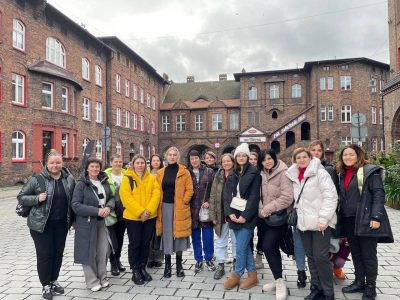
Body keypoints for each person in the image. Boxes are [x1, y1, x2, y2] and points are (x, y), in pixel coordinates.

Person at [337, 144, 393, 300]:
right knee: (356, 252)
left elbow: (378, 195)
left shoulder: (370, 171)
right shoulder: (342, 173)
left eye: (351, 154)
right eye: (345, 155)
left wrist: (376, 217)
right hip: (349, 219)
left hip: (366, 219)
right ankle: (359, 281)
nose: (347, 157)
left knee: (368, 254)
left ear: (358, 155)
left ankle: (370, 286)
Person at [17, 150, 75, 300]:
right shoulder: (37, 179)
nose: (55, 165)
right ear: (46, 164)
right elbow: (21, 196)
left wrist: (73, 220)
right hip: (41, 225)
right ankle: (45, 285)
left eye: (58, 162)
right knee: (45, 254)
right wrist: (36, 198)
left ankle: (53, 280)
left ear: (62, 163)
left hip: (62, 224)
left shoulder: (69, 179)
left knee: (58, 253)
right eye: (52, 163)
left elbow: (73, 202)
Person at [286, 148, 338, 300]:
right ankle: (316, 287)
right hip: (303, 223)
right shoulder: (293, 175)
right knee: (310, 256)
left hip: (320, 223)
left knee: (321, 256)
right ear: (294, 160)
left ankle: (328, 292)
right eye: (298, 157)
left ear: (310, 158)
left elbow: (331, 197)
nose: (301, 160)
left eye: (304, 157)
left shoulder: (320, 173)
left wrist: (323, 219)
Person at [72, 157, 115, 292]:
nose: (95, 169)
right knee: (89, 252)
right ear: (87, 168)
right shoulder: (81, 184)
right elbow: (76, 205)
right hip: (87, 223)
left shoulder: (104, 181)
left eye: (97, 166)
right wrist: (97, 211)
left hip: (102, 223)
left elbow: (112, 197)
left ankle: (102, 277)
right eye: (92, 167)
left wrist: (108, 207)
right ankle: (92, 281)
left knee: (103, 251)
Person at [223, 143, 261, 290]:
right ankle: (252, 276)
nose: (241, 158)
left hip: (247, 217)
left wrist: (245, 216)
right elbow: (227, 195)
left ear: (247, 157)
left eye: (243, 155)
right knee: (244, 248)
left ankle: (237, 274)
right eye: (238, 155)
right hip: (234, 215)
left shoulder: (254, 173)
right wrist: (229, 213)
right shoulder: (233, 173)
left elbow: (254, 197)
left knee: (240, 247)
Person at [119, 154, 161, 285]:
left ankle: (143, 267)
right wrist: (140, 212)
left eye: (142, 163)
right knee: (135, 243)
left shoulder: (151, 178)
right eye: (137, 163)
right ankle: (135, 270)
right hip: (133, 217)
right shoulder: (128, 178)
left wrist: (149, 210)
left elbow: (156, 194)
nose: (140, 165)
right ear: (133, 164)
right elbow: (126, 197)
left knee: (145, 243)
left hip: (149, 216)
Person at [258, 149, 293, 300]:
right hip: (264, 218)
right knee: (271, 248)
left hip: (278, 218)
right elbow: (256, 195)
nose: (267, 161)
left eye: (270, 158)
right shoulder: (261, 174)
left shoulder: (284, 173)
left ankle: (279, 282)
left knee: (268, 246)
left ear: (274, 158)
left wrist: (267, 209)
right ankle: (277, 278)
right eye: (264, 159)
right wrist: (261, 210)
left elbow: (287, 198)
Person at [308, 140, 346, 280]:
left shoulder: (328, 169)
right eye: (313, 150)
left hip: (326, 213)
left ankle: (335, 267)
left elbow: (333, 194)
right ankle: (325, 272)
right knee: (321, 248)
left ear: (322, 152)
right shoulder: (306, 167)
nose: (316, 153)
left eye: (319, 150)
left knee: (333, 244)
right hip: (312, 214)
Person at [156, 147, 194, 278]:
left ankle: (179, 265)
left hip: (180, 206)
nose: (172, 157)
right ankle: (167, 265)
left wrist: (184, 201)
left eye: (174, 155)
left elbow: (190, 189)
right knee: (167, 234)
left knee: (179, 234)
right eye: (170, 155)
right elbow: (157, 190)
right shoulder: (161, 172)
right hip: (165, 206)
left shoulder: (184, 171)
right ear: (166, 156)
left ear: (178, 157)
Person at [187, 150, 216, 273]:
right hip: (191, 209)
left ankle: (209, 258)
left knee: (208, 235)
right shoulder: (187, 173)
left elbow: (214, 189)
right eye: (192, 159)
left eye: (196, 158)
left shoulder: (209, 172)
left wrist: (209, 201)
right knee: (195, 236)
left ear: (200, 159)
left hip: (205, 208)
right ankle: (198, 260)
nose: (194, 161)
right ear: (189, 160)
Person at [209, 153, 237, 280]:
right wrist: (213, 214)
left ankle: (237, 263)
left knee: (236, 240)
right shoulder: (218, 175)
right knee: (221, 240)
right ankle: (221, 264)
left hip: (234, 212)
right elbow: (213, 195)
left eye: (228, 161)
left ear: (233, 162)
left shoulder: (237, 174)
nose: (226, 163)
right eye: (224, 161)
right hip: (220, 212)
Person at [104, 154, 127, 276]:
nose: (118, 164)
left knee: (120, 235)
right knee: (112, 236)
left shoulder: (127, 174)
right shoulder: (105, 175)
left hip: (124, 208)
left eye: (120, 162)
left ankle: (118, 259)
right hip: (112, 207)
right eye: (116, 162)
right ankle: (112, 262)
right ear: (111, 162)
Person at [147, 154, 164, 268]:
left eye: (158, 160)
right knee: (149, 233)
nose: (156, 162)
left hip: (161, 206)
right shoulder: (147, 174)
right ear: (151, 162)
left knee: (159, 233)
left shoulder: (164, 173)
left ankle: (158, 258)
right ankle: (149, 258)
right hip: (149, 205)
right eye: (154, 160)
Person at [249, 151, 265, 269]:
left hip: (261, 207)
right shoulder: (244, 172)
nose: (252, 161)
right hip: (249, 209)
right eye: (250, 159)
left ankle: (259, 255)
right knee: (248, 233)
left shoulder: (262, 173)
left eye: (255, 159)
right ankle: (249, 255)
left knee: (262, 233)